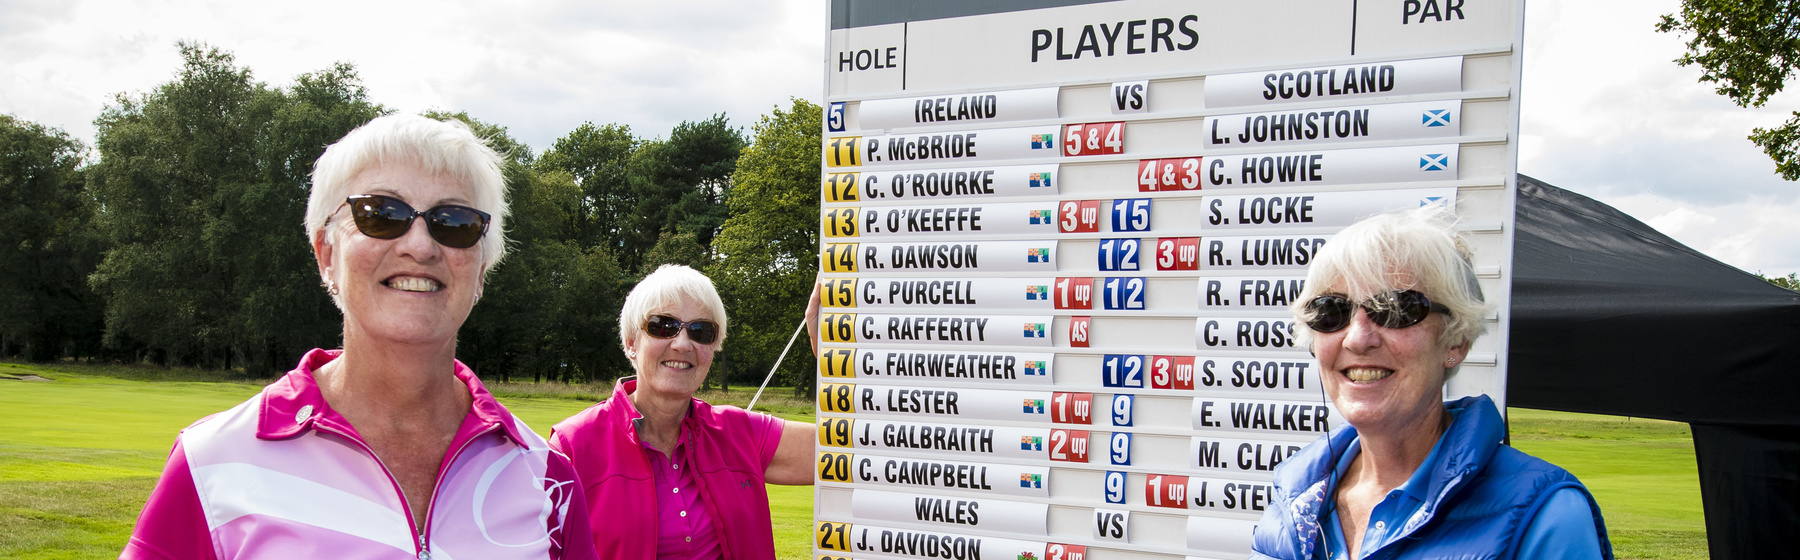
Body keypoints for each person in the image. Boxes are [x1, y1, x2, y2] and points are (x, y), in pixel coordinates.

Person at [123, 115, 596, 560]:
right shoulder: (212, 461)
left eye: (454, 222)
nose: (419, 245)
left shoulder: (547, 477)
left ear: (481, 272)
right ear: (326, 252)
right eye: (381, 213)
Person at [1250, 206, 1612, 559]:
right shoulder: (1294, 497)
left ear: (1456, 340)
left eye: (1395, 309)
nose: (1358, 339)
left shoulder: (1543, 514)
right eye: (1331, 311)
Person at [549, 265, 817, 560]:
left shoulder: (739, 431)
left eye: (701, 331)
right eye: (663, 326)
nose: (682, 343)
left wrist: (831, 353)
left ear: (713, 348)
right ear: (631, 342)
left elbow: (857, 450)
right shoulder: (573, 445)